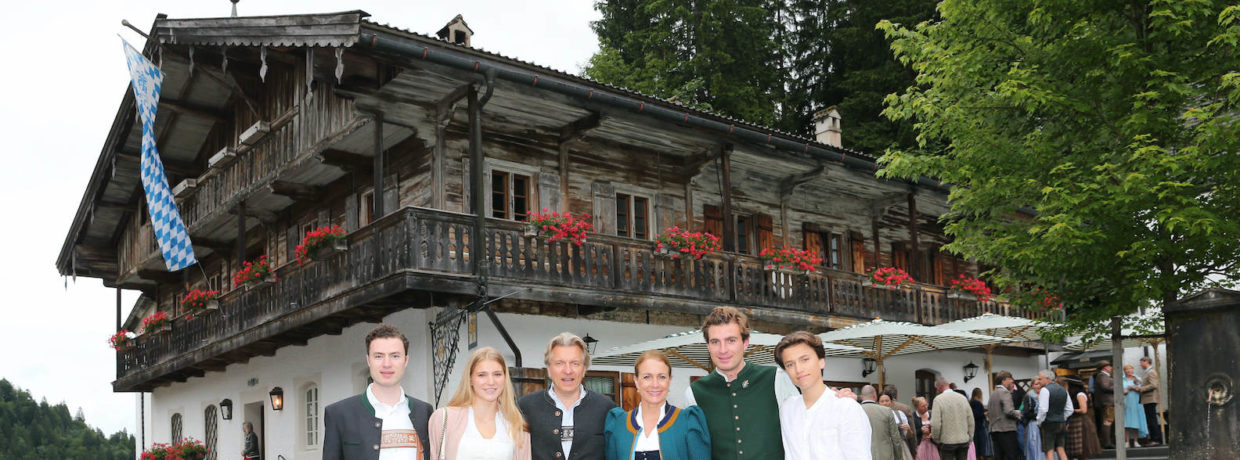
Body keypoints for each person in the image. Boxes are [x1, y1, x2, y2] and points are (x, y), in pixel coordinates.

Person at [682, 307, 797, 459]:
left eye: (731, 340)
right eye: (715, 342)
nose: (723, 350)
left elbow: (802, 433)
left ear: (745, 343)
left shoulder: (777, 379)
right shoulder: (695, 393)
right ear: (708, 346)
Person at [324, 324, 434, 460]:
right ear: (368, 360)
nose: (387, 364)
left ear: (405, 360)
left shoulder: (425, 412)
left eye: (395, 356)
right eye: (378, 356)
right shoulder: (339, 414)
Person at [519, 333, 616, 460]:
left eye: (575, 363)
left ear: (584, 369)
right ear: (549, 369)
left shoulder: (606, 408)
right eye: (559, 363)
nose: (568, 370)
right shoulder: (526, 407)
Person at [775, 331, 871, 459]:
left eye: (805, 359)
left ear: (821, 361)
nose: (798, 369)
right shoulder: (787, 409)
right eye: (790, 364)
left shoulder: (846, 408)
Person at [603, 350, 710, 460]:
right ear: (636, 381)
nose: (655, 384)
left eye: (662, 377)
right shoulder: (618, 423)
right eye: (647, 377)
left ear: (670, 380)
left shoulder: (688, 421)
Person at [429, 347, 531, 460]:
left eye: (497, 374)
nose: (491, 382)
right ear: (470, 379)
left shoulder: (517, 426)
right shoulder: (444, 418)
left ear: (505, 378)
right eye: (482, 375)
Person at [931, 377, 975, 460]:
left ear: (939, 387)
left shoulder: (938, 400)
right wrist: (970, 437)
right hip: (963, 440)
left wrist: (936, 439)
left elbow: (936, 424)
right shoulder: (963, 398)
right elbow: (970, 420)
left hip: (947, 441)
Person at [1035, 370, 1073, 460]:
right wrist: (1062, 417)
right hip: (1061, 422)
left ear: (1047, 379)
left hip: (1048, 423)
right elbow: (1070, 409)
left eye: (1040, 379)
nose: (1039, 381)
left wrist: (1039, 421)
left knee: (1049, 450)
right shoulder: (1063, 389)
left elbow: (1043, 409)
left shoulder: (1045, 390)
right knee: (1061, 449)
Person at [860, 384, 904, 460]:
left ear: (861, 397)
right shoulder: (886, 411)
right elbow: (896, 439)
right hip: (884, 455)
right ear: (875, 396)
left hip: (861, 455)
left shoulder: (854, 411)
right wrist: (899, 457)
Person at [988, 372, 1023, 460]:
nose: (1012, 381)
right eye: (1010, 379)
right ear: (1003, 381)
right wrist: (1019, 414)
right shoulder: (1005, 392)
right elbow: (1009, 411)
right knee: (1012, 456)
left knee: (999, 456)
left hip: (994, 429)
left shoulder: (993, 393)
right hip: (1006, 430)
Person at [1063, 378, 1100, 460]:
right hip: (1075, 422)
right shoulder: (1074, 395)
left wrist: (1070, 410)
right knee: (1079, 451)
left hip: (1081, 422)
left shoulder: (1080, 395)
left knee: (1084, 449)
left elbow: (1083, 410)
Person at [884, 385, 919, 456]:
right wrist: (914, 451)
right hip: (902, 447)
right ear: (896, 396)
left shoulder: (880, 407)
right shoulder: (905, 408)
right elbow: (912, 431)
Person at [1119, 364, 1148, 448]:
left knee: (1135, 422)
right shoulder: (1121, 379)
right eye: (1127, 370)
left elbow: (1140, 389)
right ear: (1124, 371)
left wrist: (1133, 388)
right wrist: (1123, 392)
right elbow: (1117, 390)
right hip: (1125, 402)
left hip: (1135, 402)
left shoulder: (1137, 378)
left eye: (1130, 369)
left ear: (1133, 370)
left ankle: (1136, 441)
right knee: (1126, 423)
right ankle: (1127, 442)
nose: (1129, 371)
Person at [1135, 357, 1162, 446]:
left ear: (1146, 362)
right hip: (1148, 399)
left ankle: (1156, 439)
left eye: (1141, 362)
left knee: (1152, 419)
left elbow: (1154, 385)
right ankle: (1154, 439)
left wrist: (1141, 388)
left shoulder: (1151, 372)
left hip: (1150, 399)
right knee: (1150, 419)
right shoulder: (1147, 372)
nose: (1140, 364)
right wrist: (1137, 382)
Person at [1090, 362, 1115, 449]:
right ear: (1105, 368)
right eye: (1109, 366)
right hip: (1107, 402)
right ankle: (1107, 442)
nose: (1111, 367)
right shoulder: (1102, 376)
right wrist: (1118, 387)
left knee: (1108, 421)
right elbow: (1105, 387)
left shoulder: (1103, 376)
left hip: (1106, 402)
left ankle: (1108, 441)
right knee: (1108, 421)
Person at [971, 388, 992, 459]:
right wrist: (984, 413)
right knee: (982, 445)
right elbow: (976, 415)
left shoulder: (971, 402)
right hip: (980, 427)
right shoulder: (978, 403)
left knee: (976, 445)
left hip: (974, 427)